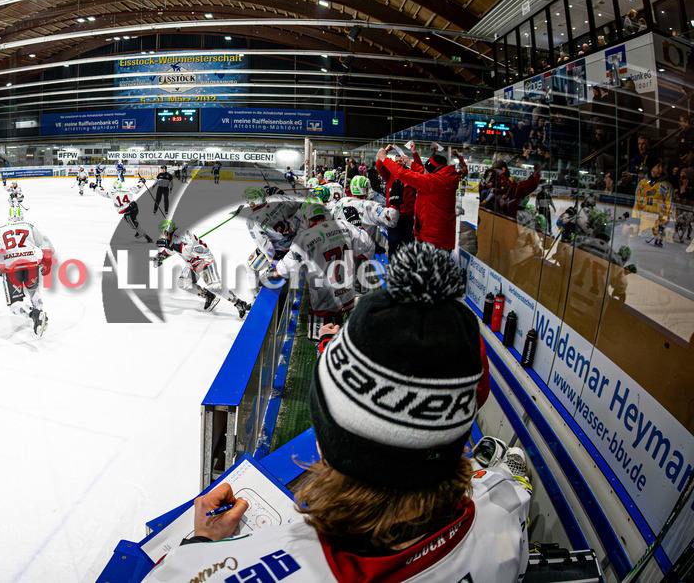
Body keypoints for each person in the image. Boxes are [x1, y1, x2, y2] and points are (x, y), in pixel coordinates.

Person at [144, 243, 529, 583]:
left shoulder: (229, 569)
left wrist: (202, 542)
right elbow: (508, 498)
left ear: (330, 432)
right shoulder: (503, 520)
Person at [270, 201, 376, 340]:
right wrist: (357, 226)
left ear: (307, 220)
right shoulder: (344, 225)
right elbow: (368, 245)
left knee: (320, 340)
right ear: (324, 216)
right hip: (347, 295)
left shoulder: (304, 238)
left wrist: (274, 270)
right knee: (344, 335)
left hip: (323, 303)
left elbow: (284, 270)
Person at [154, 219, 251, 318]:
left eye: (165, 232)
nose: (164, 235)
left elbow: (188, 248)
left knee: (215, 286)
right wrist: (161, 256)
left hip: (203, 261)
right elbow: (171, 250)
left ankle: (239, 303)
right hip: (193, 264)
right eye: (162, 233)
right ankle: (208, 296)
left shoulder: (181, 233)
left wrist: (170, 245)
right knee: (183, 283)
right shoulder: (173, 237)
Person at [0, 206, 53, 335]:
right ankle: (40, 314)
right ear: (22, 216)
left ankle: (33, 314)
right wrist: (46, 261)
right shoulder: (30, 226)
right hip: (31, 264)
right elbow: (46, 244)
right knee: (34, 291)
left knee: (14, 304)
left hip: (11, 268)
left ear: (9, 217)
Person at [390, 145, 466, 252]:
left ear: (433, 171)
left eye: (426, 170)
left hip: (433, 239)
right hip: (430, 235)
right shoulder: (440, 177)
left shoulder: (433, 182)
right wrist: (410, 160)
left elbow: (406, 174)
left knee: (429, 267)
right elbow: (420, 170)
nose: (423, 171)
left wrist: (385, 159)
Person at [238, 187, 302, 295]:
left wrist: (274, 262)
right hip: (294, 240)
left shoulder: (253, 220)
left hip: (280, 249)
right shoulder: (278, 198)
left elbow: (265, 246)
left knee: (251, 267)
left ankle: (255, 296)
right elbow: (297, 204)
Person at [375, 146, 417, 257]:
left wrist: (413, 156)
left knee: (407, 244)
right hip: (393, 216)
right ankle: (393, 266)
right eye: (396, 161)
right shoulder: (389, 175)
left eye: (400, 161)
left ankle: (405, 267)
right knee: (393, 243)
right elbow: (379, 165)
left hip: (407, 216)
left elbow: (420, 169)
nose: (398, 163)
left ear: (404, 162)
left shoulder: (411, 175)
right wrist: (386, 151)